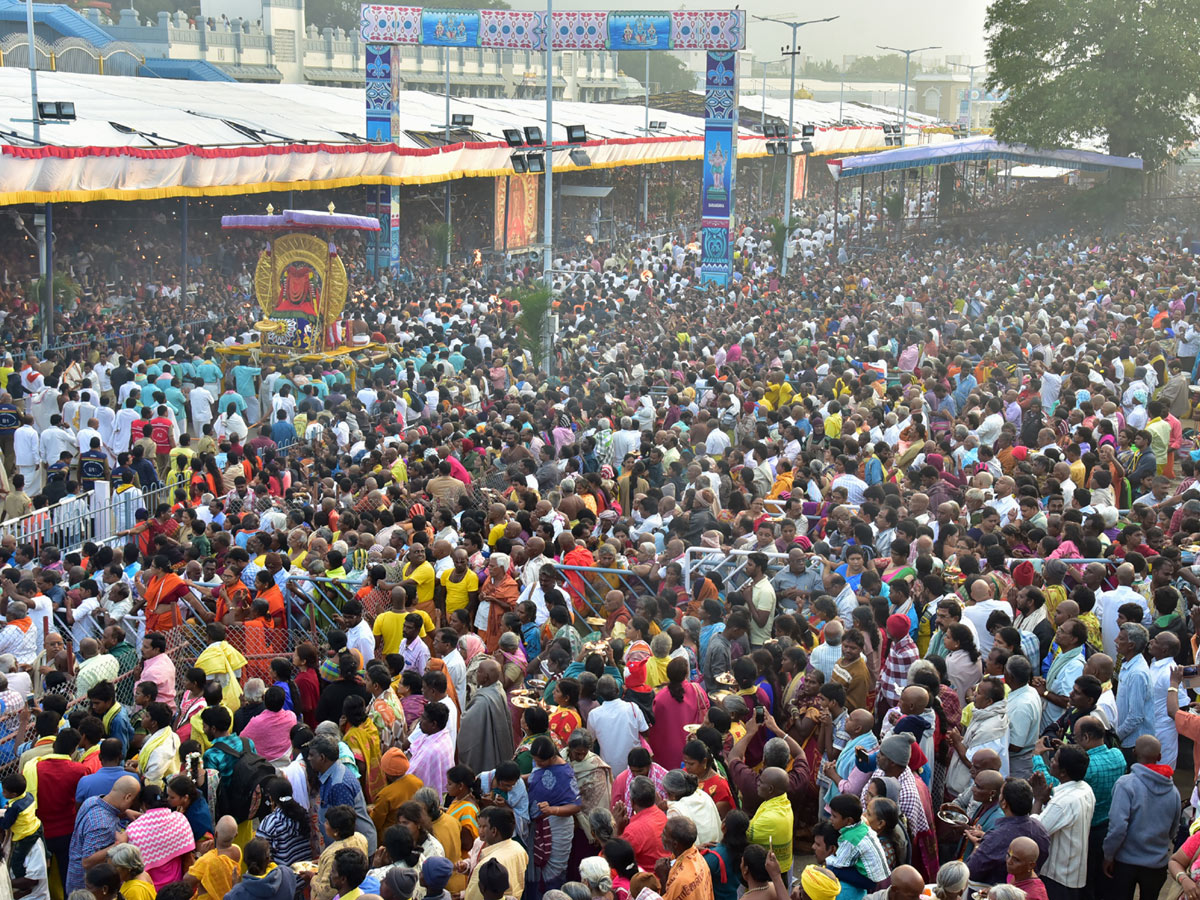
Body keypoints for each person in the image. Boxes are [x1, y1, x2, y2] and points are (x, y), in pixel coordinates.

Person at [1102, 734, 1181, 900]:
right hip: (1156, 864)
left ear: (1134, 752)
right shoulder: (1173, 791)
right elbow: (1174, 829)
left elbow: (1117, 827)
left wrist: (1108, 856)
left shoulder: (1126, 784)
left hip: (1125, 863)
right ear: (1159, 757)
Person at [1030, 746, 1095, 900]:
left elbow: (1036, 832)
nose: (1051, 761)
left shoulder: (1063, 801)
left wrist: (1038, 799)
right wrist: (1047, 801)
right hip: (1072, 872)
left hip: (1058, 876)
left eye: (1055, 759)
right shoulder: (1085, 789)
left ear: (1064, 771)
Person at [65, 775, 142, 895]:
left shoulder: (92, 800)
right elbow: (87, 861)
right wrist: (119, 845)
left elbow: (107, 811)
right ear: (127, 797)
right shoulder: (102, 824)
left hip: (75, 879)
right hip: (90, 889)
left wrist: (125, 812)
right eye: (132, 801)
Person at [459, 658, 515, 775]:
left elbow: (467, 725)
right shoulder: (498, 687)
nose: (476, 673)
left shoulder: (482, 702)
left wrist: (460, 718)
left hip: (486, 746)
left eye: (479, 671)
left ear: (486, 677)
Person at [465, 806, 528, 900]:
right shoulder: (519, 849)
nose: (480, 830)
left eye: (484, 826)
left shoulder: (488, 865)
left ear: (494, 831)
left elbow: (473, 897)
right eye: (479, 826)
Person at [183, 814, 241, 900]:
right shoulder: (237, 850)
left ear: (216, 833)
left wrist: (200, 856)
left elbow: (187, 881)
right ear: (236, 835)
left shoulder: (207, 860)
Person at [225, 838, 297, 900]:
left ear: (244, 860)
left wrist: (235, 887)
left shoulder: (236, 894)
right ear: (268, 858)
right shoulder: (287, 874)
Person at [659, 816, 712, 900]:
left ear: (675, 844)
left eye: (664, 834)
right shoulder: (696, 854)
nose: (661, 835)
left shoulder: (680, 882)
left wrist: (663, 878)